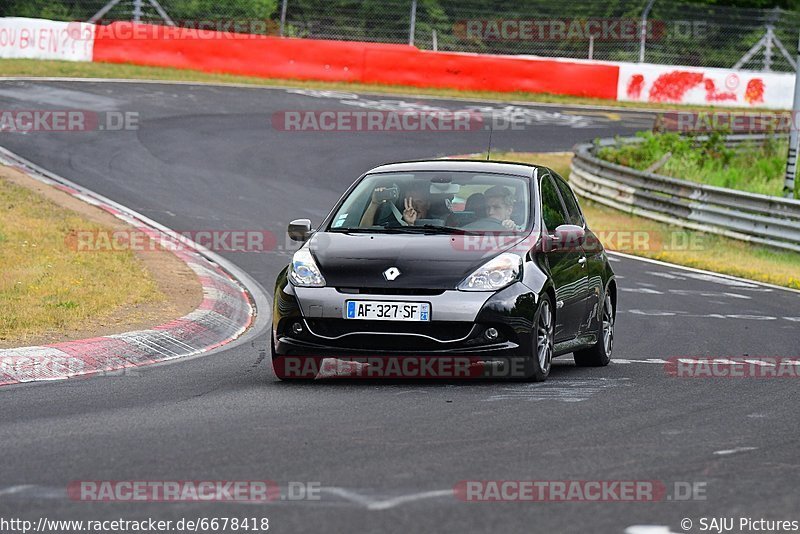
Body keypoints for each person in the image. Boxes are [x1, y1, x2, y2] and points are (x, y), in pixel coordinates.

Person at [360, 182, 431, 227]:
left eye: (419, 202)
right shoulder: (394, 225)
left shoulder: (439, 226)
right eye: (410, 202)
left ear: (428, 204)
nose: (414, 207)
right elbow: (363, 231)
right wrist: (374, 203)